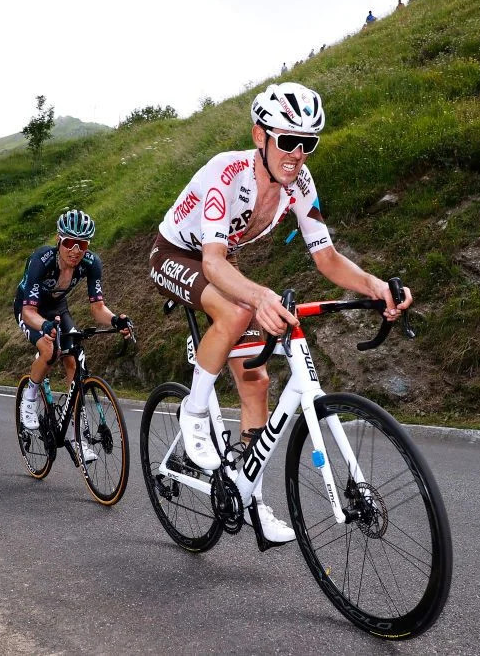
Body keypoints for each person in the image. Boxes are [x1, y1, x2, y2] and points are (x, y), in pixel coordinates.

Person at [148, 82, 412, 541]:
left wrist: (373, 285)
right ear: (260, 136)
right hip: (176, 253)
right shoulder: (226, 174)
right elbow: (210, 262)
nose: (297, 153)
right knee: (234, 313)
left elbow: (326, 257)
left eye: (307, 143)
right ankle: (193, 414)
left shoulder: (301, 185)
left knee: (258, 381)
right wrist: (258, 297)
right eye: (288, 140)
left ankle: (249, 498)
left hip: (219, 259)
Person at [15, 210, 132, 460]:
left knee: (75, 361)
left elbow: (97, 308)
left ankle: (78, 435)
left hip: (58, 308)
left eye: (83, 244)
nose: (76, 250)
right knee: (50, 350)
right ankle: (30, 397)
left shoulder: (91, 263)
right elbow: (28, 311)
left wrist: (114, 319)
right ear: (59, 240)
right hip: (30, 308)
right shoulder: (42, 260)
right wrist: (44, 327)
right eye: (70, 242)